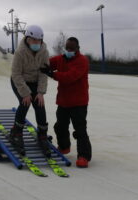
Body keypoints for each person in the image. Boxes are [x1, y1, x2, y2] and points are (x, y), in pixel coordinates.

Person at [41, 37, 92, 168]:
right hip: (63, 101)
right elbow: (46, 62)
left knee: (80, 130)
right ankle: (64, 147)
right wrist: (38, 61)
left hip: (79, 102)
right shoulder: (61, 59)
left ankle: (84, 156)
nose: (68, 51)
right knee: (60, 126)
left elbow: (70, 77)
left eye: (71, 48)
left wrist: (52, 74)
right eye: (67, 48)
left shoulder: (82, 61)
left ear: (77, 48)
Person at [9, 25, 51, 158]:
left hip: (35, 82)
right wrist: (25, 93)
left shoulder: (44, 52)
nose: (36, 43)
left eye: (38, 41)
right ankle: (16, 133)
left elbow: (44, 73)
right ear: (27, 39)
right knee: (25, 102)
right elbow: (16, 74)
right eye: (33, 40)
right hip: (20, 81)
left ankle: (42, 135)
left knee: (39, 104)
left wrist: (41, 92)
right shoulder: (20, 52)